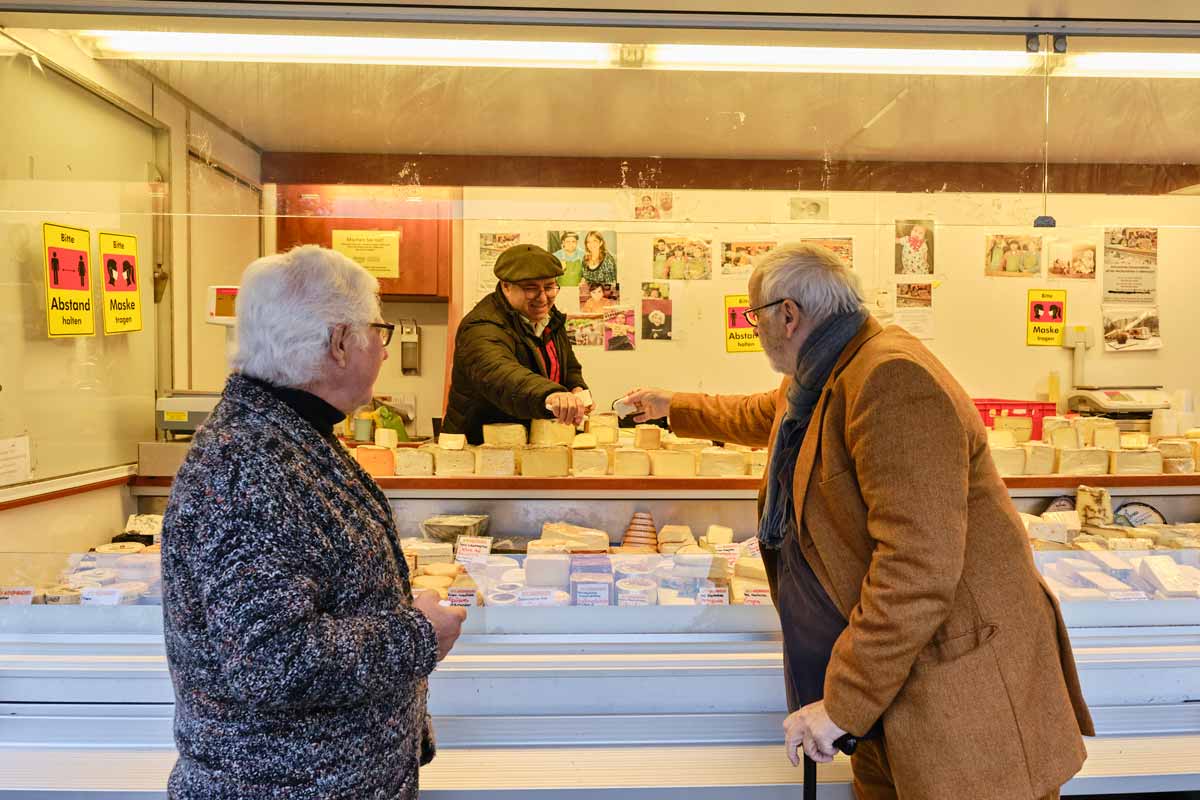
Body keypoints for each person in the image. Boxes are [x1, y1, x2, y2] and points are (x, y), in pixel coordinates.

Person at [623, 242, 1092, 800]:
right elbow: (764, 413)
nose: (756, 331)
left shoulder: (891, 378)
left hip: (958, 677)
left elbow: (917, 567)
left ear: (788, 315)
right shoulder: (832, 365)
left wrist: (841, 703)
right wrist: (670, 406)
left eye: (756, 318)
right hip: (900, 675)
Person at [161, 245, 467, 799]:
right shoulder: (248, 466)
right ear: (339, 343)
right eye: (379, 330)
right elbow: (274, 663)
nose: (383, 347)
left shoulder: (285, 435)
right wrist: (417, 634)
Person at [443, 244, 591, 444]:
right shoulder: (480, 326)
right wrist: (551, 395)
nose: (542, 298)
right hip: (479, 451)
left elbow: (568, 366)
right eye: (531, 289)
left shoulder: (549, 319)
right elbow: (502, 375)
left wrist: (576, 388)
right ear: (506, 286)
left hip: (531, 447)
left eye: (549, 287)